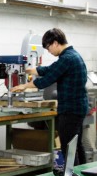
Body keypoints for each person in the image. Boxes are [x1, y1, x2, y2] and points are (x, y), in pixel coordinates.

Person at [12, 28, 89, 164]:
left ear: (55, 43)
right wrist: (33, 70)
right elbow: (51, 69)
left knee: (68, 146)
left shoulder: (66, 58)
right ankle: (82, 173)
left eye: (48, 48)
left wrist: (24, 86)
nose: (49, 51)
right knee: (76, 145)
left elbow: (47, 80)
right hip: (78, 108)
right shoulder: (73, 55)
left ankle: (72, 175)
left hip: (70, 110)